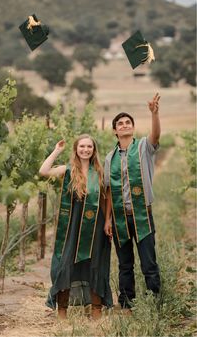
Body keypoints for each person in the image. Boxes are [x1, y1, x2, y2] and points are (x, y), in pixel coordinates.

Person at [39, 134, 113, 320]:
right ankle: (62, 310)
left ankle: (96, 308)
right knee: (66, 264)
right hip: (71, 228)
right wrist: (57, 150)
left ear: (94, 150)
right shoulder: (68, 170)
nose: (86, 149)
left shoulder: (100, 172)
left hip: (95, 226)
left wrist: (107, 221)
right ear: (76, 149)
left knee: (95, 263)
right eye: (82, 146)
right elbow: (44, 171)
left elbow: (106, 199)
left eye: (89, 146)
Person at [104, 93, 161, 312]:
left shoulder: (144, 147)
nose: (125, 125)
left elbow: (156, 135)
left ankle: (153, 303)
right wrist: (107, 219)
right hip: (120, 216)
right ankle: (127, 304)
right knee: (125, 264)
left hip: (142, 214)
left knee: (148, 262)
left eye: (128, 122)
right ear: (115, 131)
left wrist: (154, 113)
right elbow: (108, 191)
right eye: (120, 123)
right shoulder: (110, 158)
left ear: (133, 128)